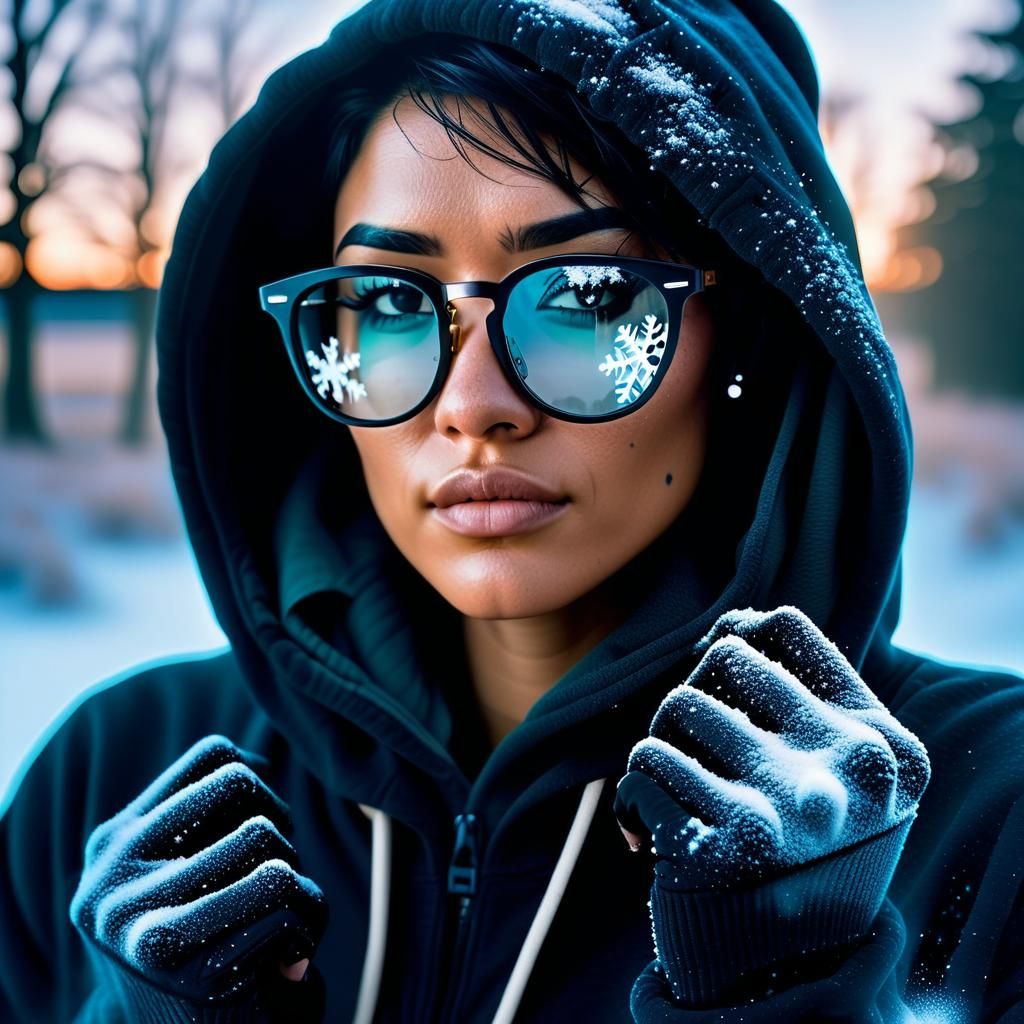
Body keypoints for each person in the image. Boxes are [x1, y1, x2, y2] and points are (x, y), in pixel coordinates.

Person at [1, 1, 1022, 1021]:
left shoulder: (993, 822)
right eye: (390, 304)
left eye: (585, 299)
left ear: (751, 331)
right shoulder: (111, 784)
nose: (472, 406)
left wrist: (789, 994)